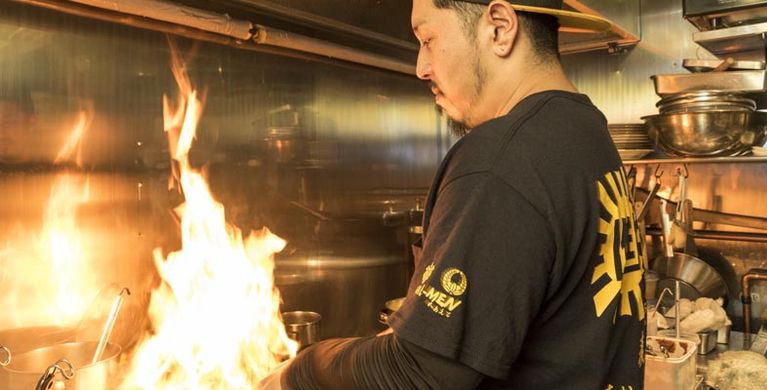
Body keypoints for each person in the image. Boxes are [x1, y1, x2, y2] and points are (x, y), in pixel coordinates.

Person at [261, 0, 646, 388]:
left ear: (499, 28)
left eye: (428, 38)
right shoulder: (584, 131)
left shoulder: (502, 157)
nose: (420, 67)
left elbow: (420, 375)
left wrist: (300, 371)